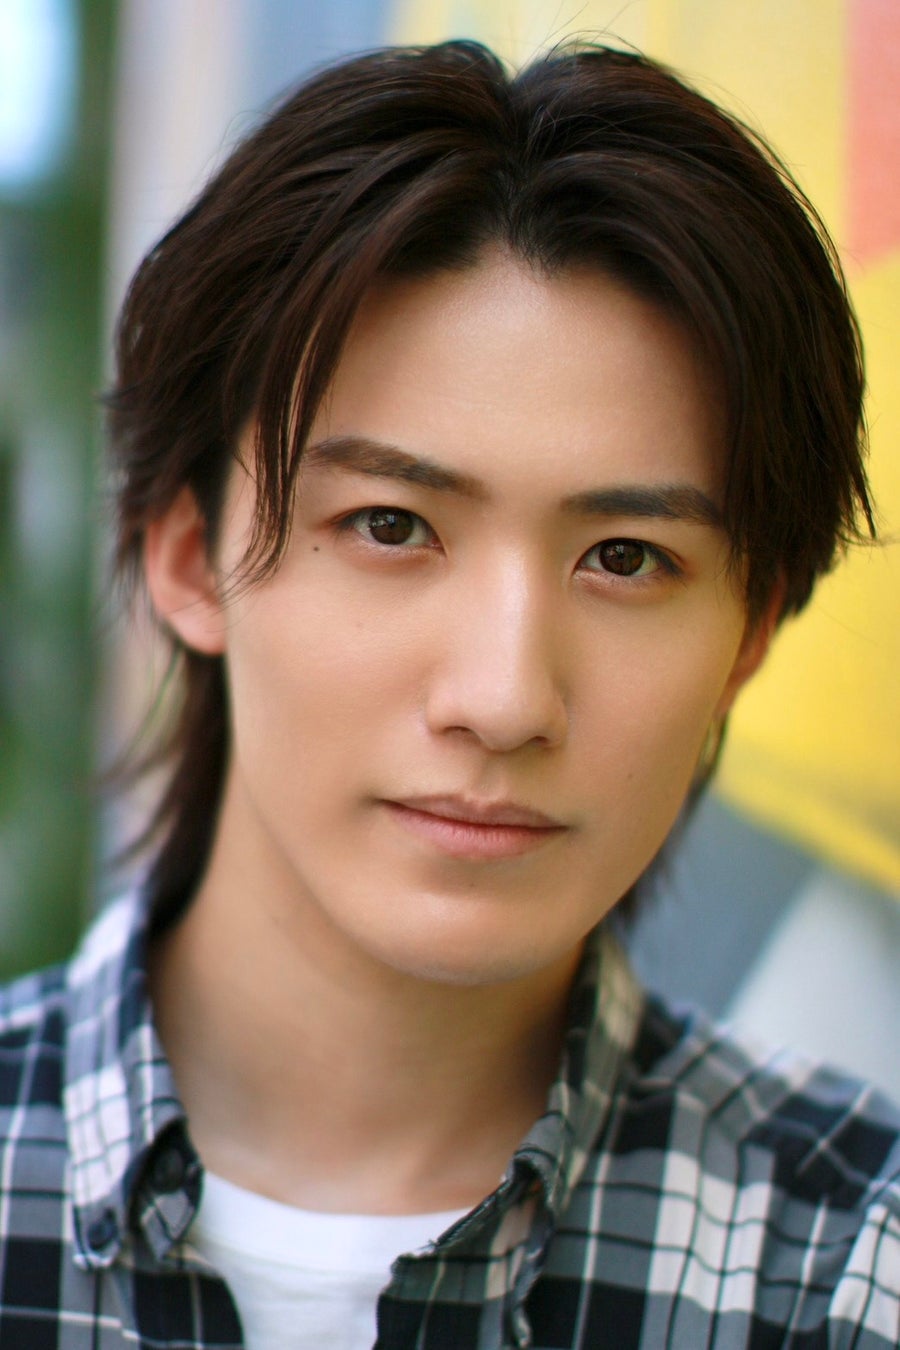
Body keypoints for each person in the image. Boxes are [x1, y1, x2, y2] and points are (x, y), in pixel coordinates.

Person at [0, 38, 897, 1350]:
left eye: (626, 558)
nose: (504, 696)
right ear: (189, 556)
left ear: (750, 631)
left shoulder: (856, 1268)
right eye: (391, 526)